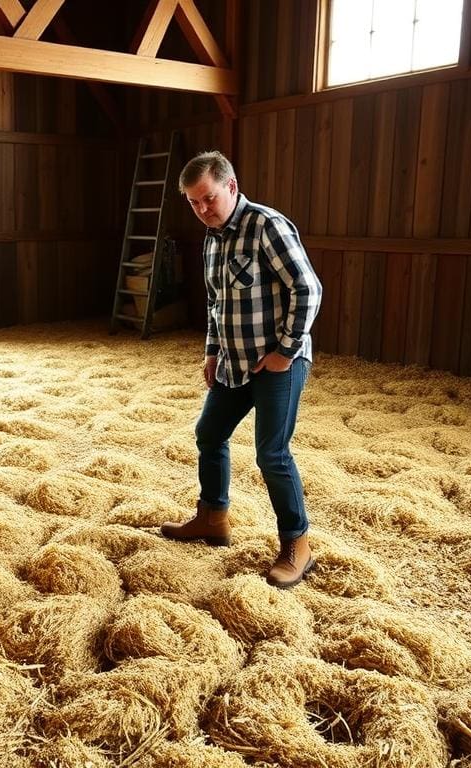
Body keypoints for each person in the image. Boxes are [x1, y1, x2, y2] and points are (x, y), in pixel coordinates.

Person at [160, 151, 322, 589]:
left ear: (231, 186)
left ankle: (297, 544)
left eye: (208, 198)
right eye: (194, 203)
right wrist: (213, 352)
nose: (202, 209)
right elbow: (217, 304)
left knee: (272, 452)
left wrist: (285, 351)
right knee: (209, 433)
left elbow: (307, 289)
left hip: (277, 363)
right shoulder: (213, 237)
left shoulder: (267, 225)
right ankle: (213, 517)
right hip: (234, 360)